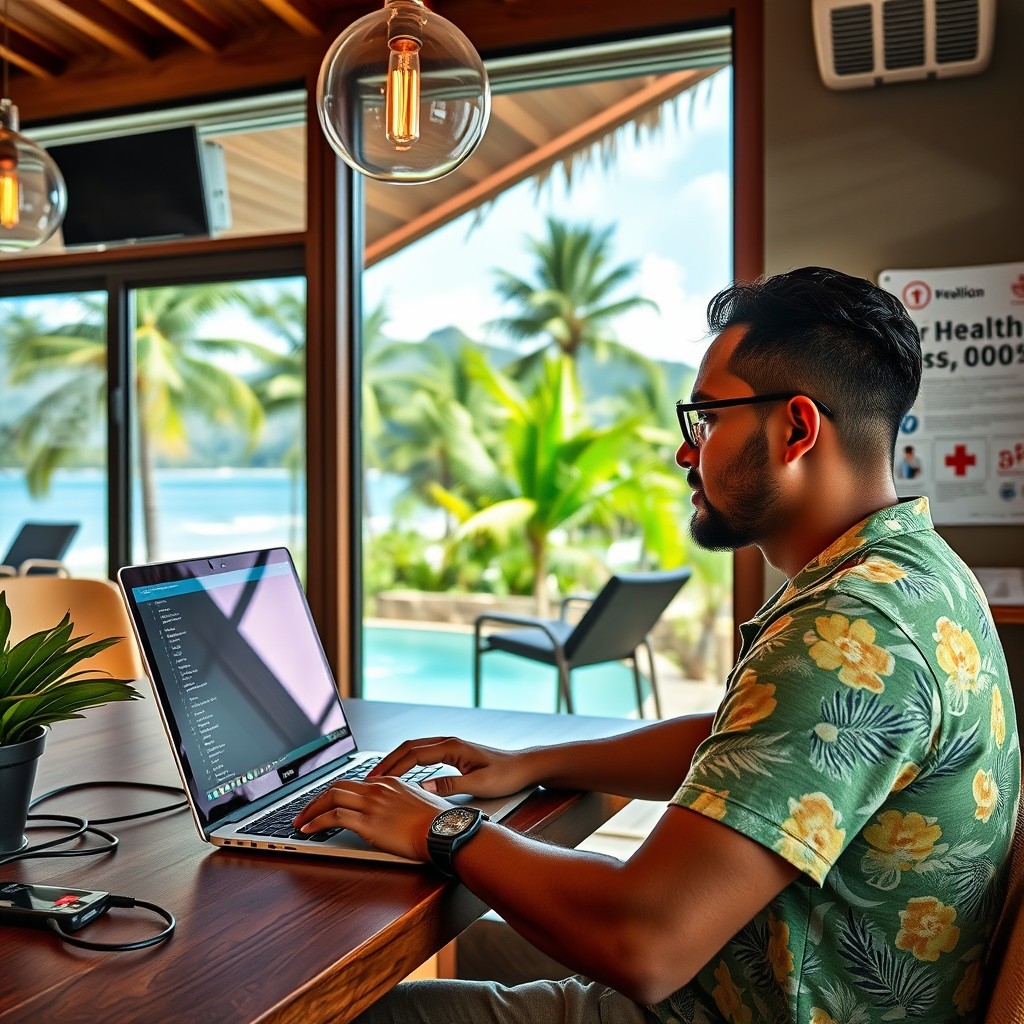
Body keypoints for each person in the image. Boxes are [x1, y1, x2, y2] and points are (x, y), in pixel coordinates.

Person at [294, 266, 1019, 1024]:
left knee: (360, 1012)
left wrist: (440, 826)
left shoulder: (853, 628)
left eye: (705, 419)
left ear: (797, 430)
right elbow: (756, 745)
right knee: (463, 947)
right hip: (749, 973)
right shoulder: (915, 571)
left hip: (723, 1000)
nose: (685, 453)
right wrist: (535, 762)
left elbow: (645, 944)